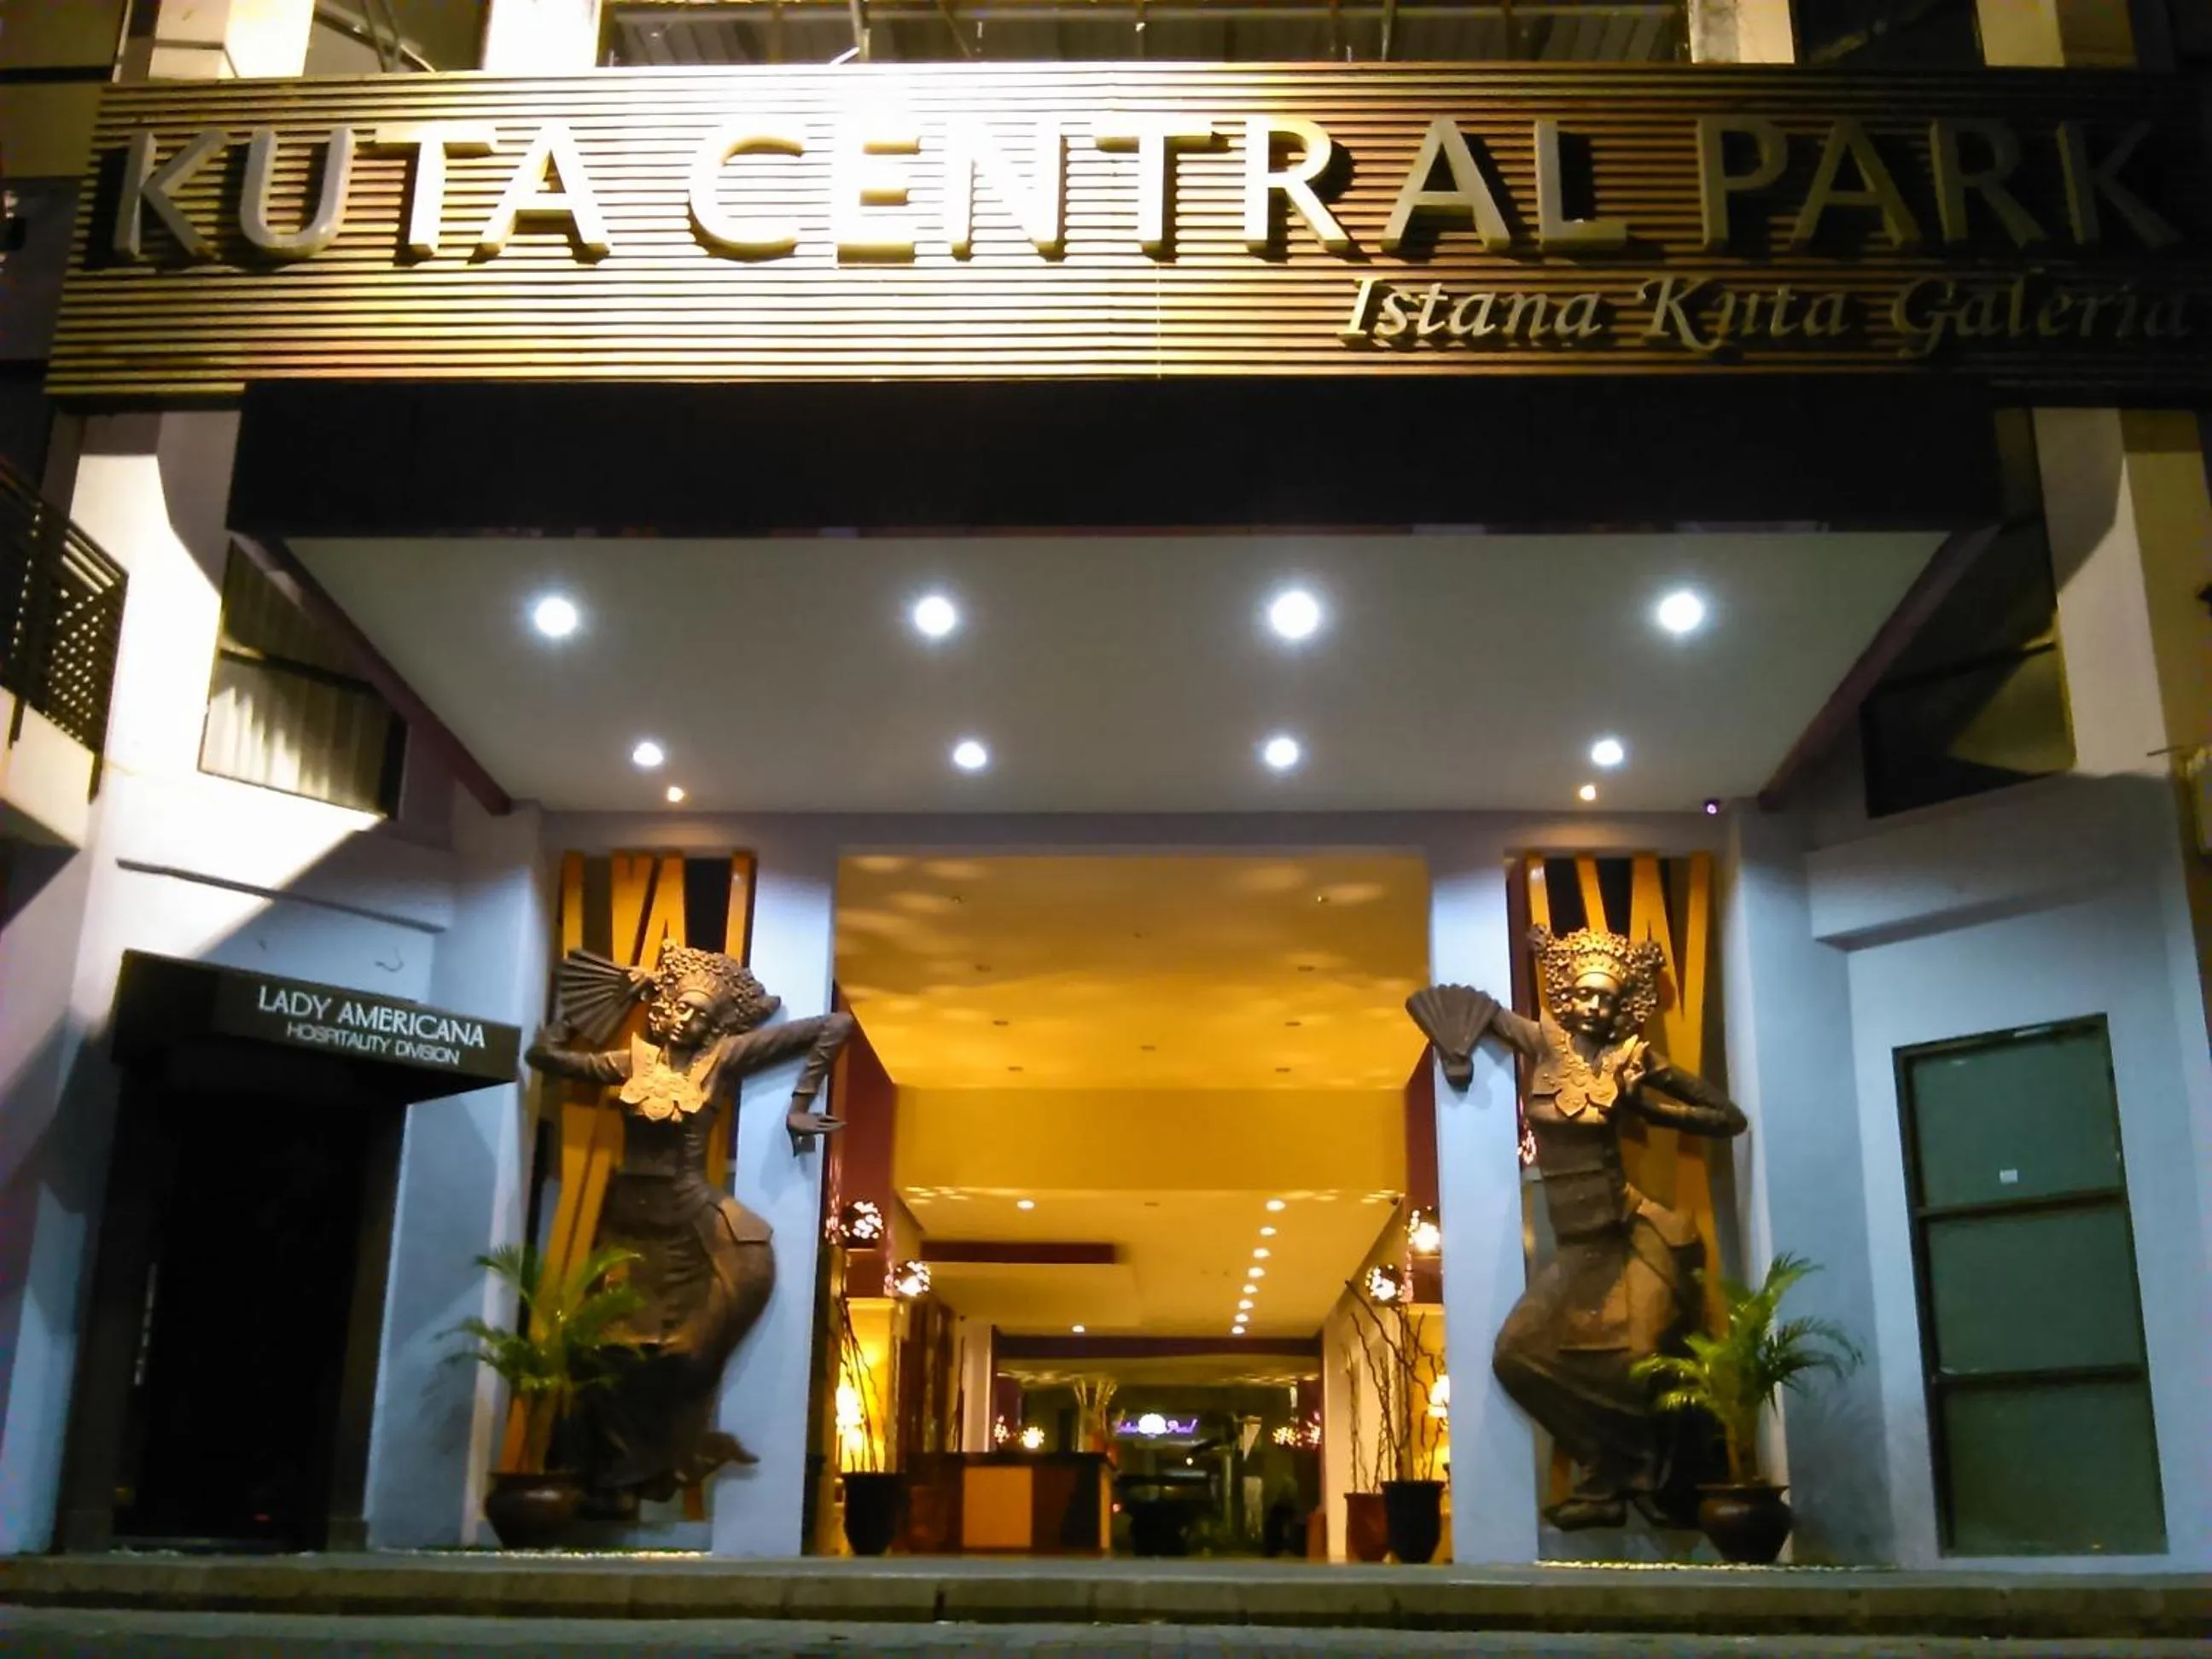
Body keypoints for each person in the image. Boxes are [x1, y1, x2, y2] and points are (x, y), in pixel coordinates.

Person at [1407, 926, 1745, 1529]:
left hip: (1630, 1235)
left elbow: (1727, 1117)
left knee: (1641, 1358)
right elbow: (1468, 1009)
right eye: (1586, 994)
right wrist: (1453, 1054)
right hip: (1576, 1248)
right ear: (1567, 995)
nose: (1595, 1006)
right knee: (1519, 1357)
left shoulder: (1636, 1060)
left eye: (1608, 998)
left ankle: (1637, 1483)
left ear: (1623, 1007)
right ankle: (1610, 1470)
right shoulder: (1543, 1043)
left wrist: (1646, 1106)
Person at [525, 946, 853, 1512]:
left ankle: (664, 1461)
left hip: (689, 1216)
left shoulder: (720, 1061)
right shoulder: (629, 1063)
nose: (688, 1021)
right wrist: (601, 1005)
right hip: (627, 1222)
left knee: (684, 1351)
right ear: (664, 1008)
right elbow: (545, 1056)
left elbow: (836, 1023)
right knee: (604, 1350)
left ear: (715, 1025)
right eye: (681, 1008)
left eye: (702, 1015)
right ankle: (615, 1480)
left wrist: (799, 1105)